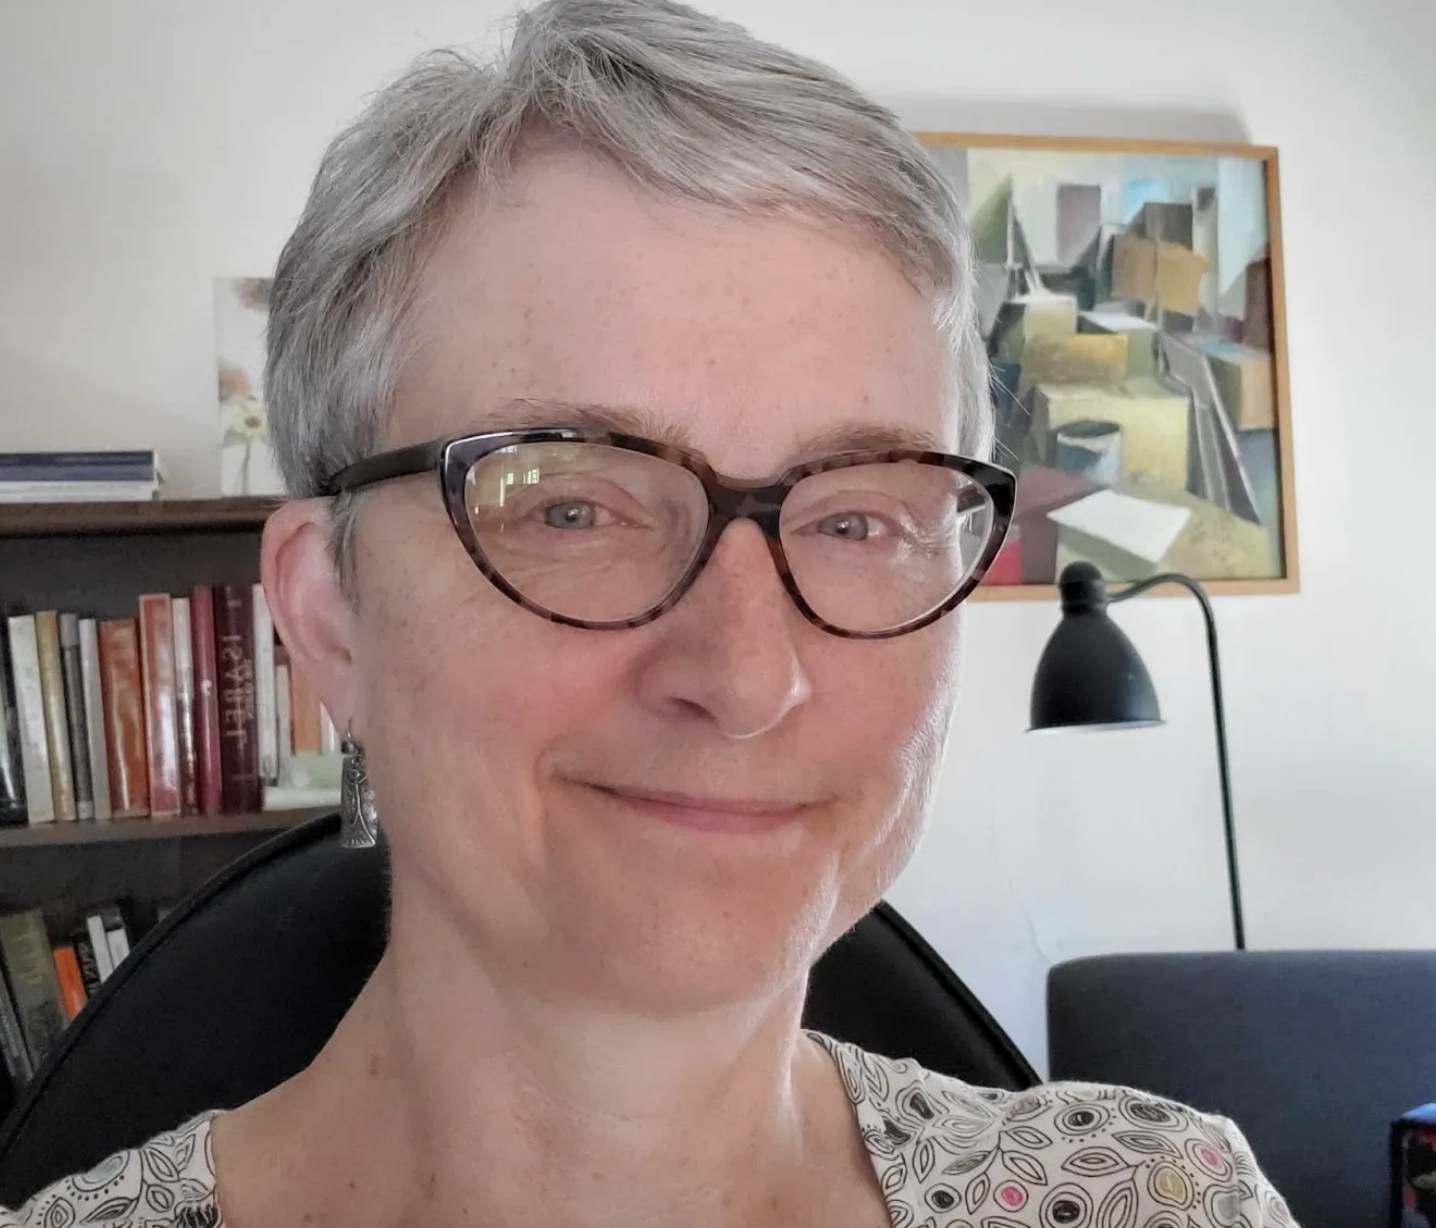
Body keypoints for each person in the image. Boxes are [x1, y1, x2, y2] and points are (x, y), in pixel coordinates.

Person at [3, 2, 1297, 1226]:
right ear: (330, 617)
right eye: (571, 508)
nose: (744, 675)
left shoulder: (1161, 1199)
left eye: (856, 522)